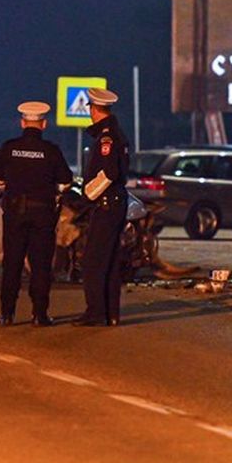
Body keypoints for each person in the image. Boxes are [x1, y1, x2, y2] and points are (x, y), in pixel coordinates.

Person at [0, 101, 72, 327]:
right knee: (41, 265)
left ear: (22, 122)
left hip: (15, 212)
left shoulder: (9, 147)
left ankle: (7, 314)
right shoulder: (51, 151)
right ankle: (39, 314)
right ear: (44, 124)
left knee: (12, 264)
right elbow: (66, 181)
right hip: (43, 215)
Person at [74, 88, 130, 326]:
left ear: (95, 109)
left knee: (93, 260)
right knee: (110, 259)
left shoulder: (106, 137)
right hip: (115, 204)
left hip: (106, 205)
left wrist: (88, 194)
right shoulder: (117, 133)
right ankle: (111, 313)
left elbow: (108, 173)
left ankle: (96, 312)